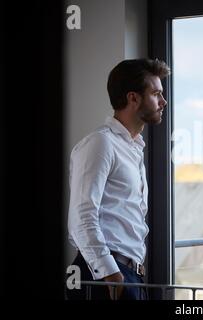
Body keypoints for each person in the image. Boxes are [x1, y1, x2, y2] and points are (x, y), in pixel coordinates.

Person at [65, 59, 170, 300]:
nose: (163, 102)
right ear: (133, 98)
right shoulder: (101, 143)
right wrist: (109, 272)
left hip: (129, 275)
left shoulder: (133, 147)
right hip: (105, 274)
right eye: (156, 94)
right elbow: (81, 216)